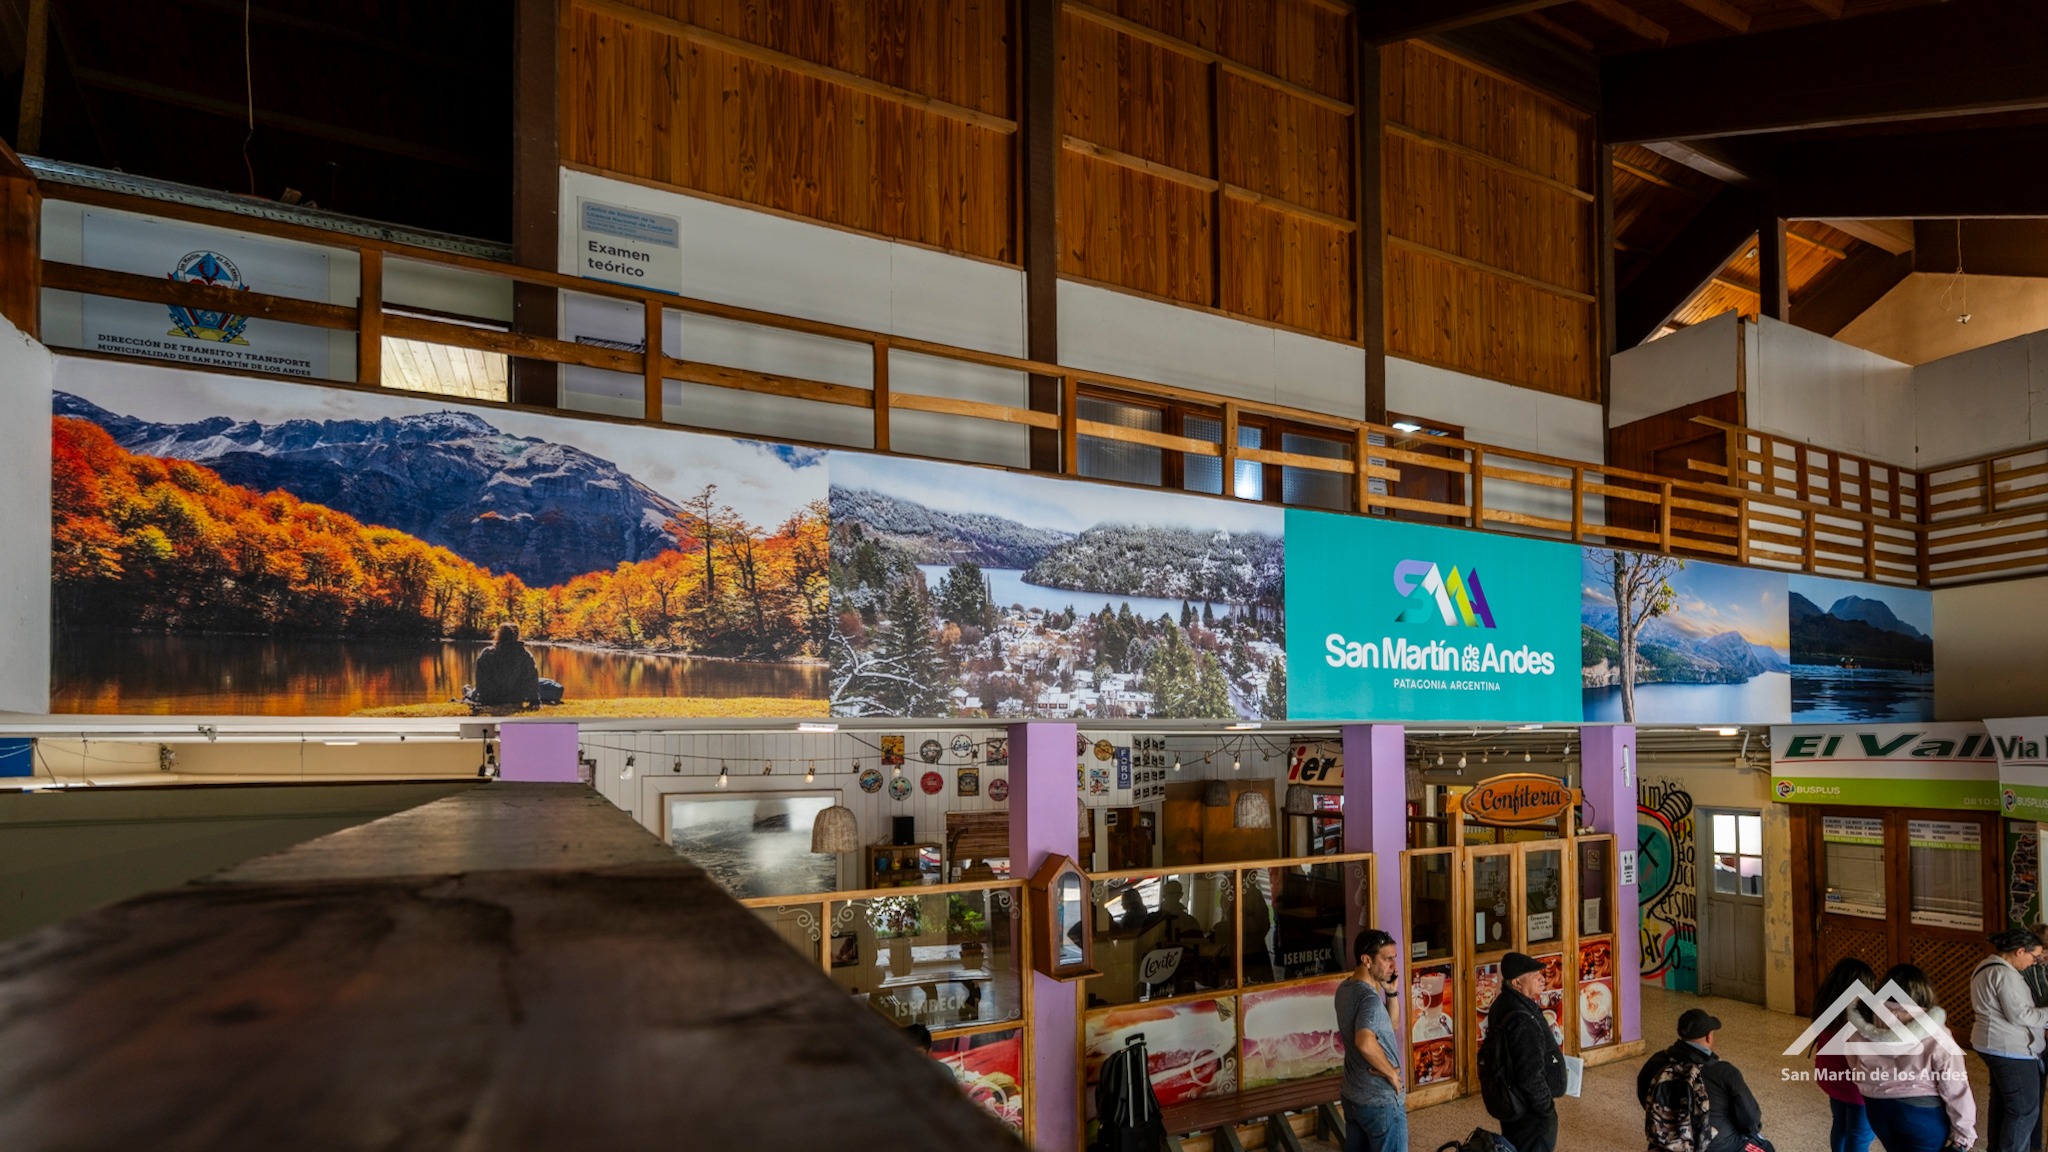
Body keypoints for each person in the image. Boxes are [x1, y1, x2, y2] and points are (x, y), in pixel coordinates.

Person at [1848, 963, 1976, 1152]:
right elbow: (1954, 1085)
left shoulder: (1862, 1023)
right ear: (1925, 992)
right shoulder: (1936, 1032)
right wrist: (1964, 1134)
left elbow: (1854, 1064)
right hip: (1921, 1114)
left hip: (1876, 1108)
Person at [1638, 1008, 1772, 1152]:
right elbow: (1750, 1119)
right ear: (1709, 1037)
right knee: (1766, 1147)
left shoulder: (1656, 1061)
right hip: (1716, 1146)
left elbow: (1644, 1097)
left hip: (1666, 1143)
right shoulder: (1724, 1072)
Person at [1479, 951, 1566, 1152]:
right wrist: (1546, 1110)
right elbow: (1530, 1076)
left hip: (1512, 1104)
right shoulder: (1523, 1021)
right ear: (1517, 983)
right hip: (1530, 1113)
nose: (1541, 978)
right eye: (1534, 975)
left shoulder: (1502, 1004)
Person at [1972, 927, 2048, 1152]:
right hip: (2009, 1049)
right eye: (2033, 957)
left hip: (1993, 1044)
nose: (2034, 963)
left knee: (2004, 1104)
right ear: (2020, 951)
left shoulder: (1986, 966)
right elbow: (2020, 1015)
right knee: (2024, 1110)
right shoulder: (2005, 974)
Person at [1335, 929, 1404, 1152]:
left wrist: (1391, 993)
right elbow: (1364, 1042)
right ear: (1366, 960)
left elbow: (1390, 1026)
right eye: (1387, 959)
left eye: (1394, 957)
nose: (1394, 965)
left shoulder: (1345, 989)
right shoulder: (1368, 1000)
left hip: (1353, 1096)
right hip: (1379, 1101)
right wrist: (1391, 1073)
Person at [1812, 957, 1878, 1152]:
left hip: (1832, 1080)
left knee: (1840, 1124)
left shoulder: (1826, 1007)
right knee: (1859, 1135)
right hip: (1857, 1089)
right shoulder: (1861, 1019)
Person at [472, 623, 540, 708]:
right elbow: (531, 680)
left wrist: (485, 696)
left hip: (490, 699)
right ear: (517, 636)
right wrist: (534, 701)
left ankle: (467, 691)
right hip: (514, 698)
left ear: (498, 635)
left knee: (474, 693)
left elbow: (481, 680)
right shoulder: (524, 655)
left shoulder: (487, 653)